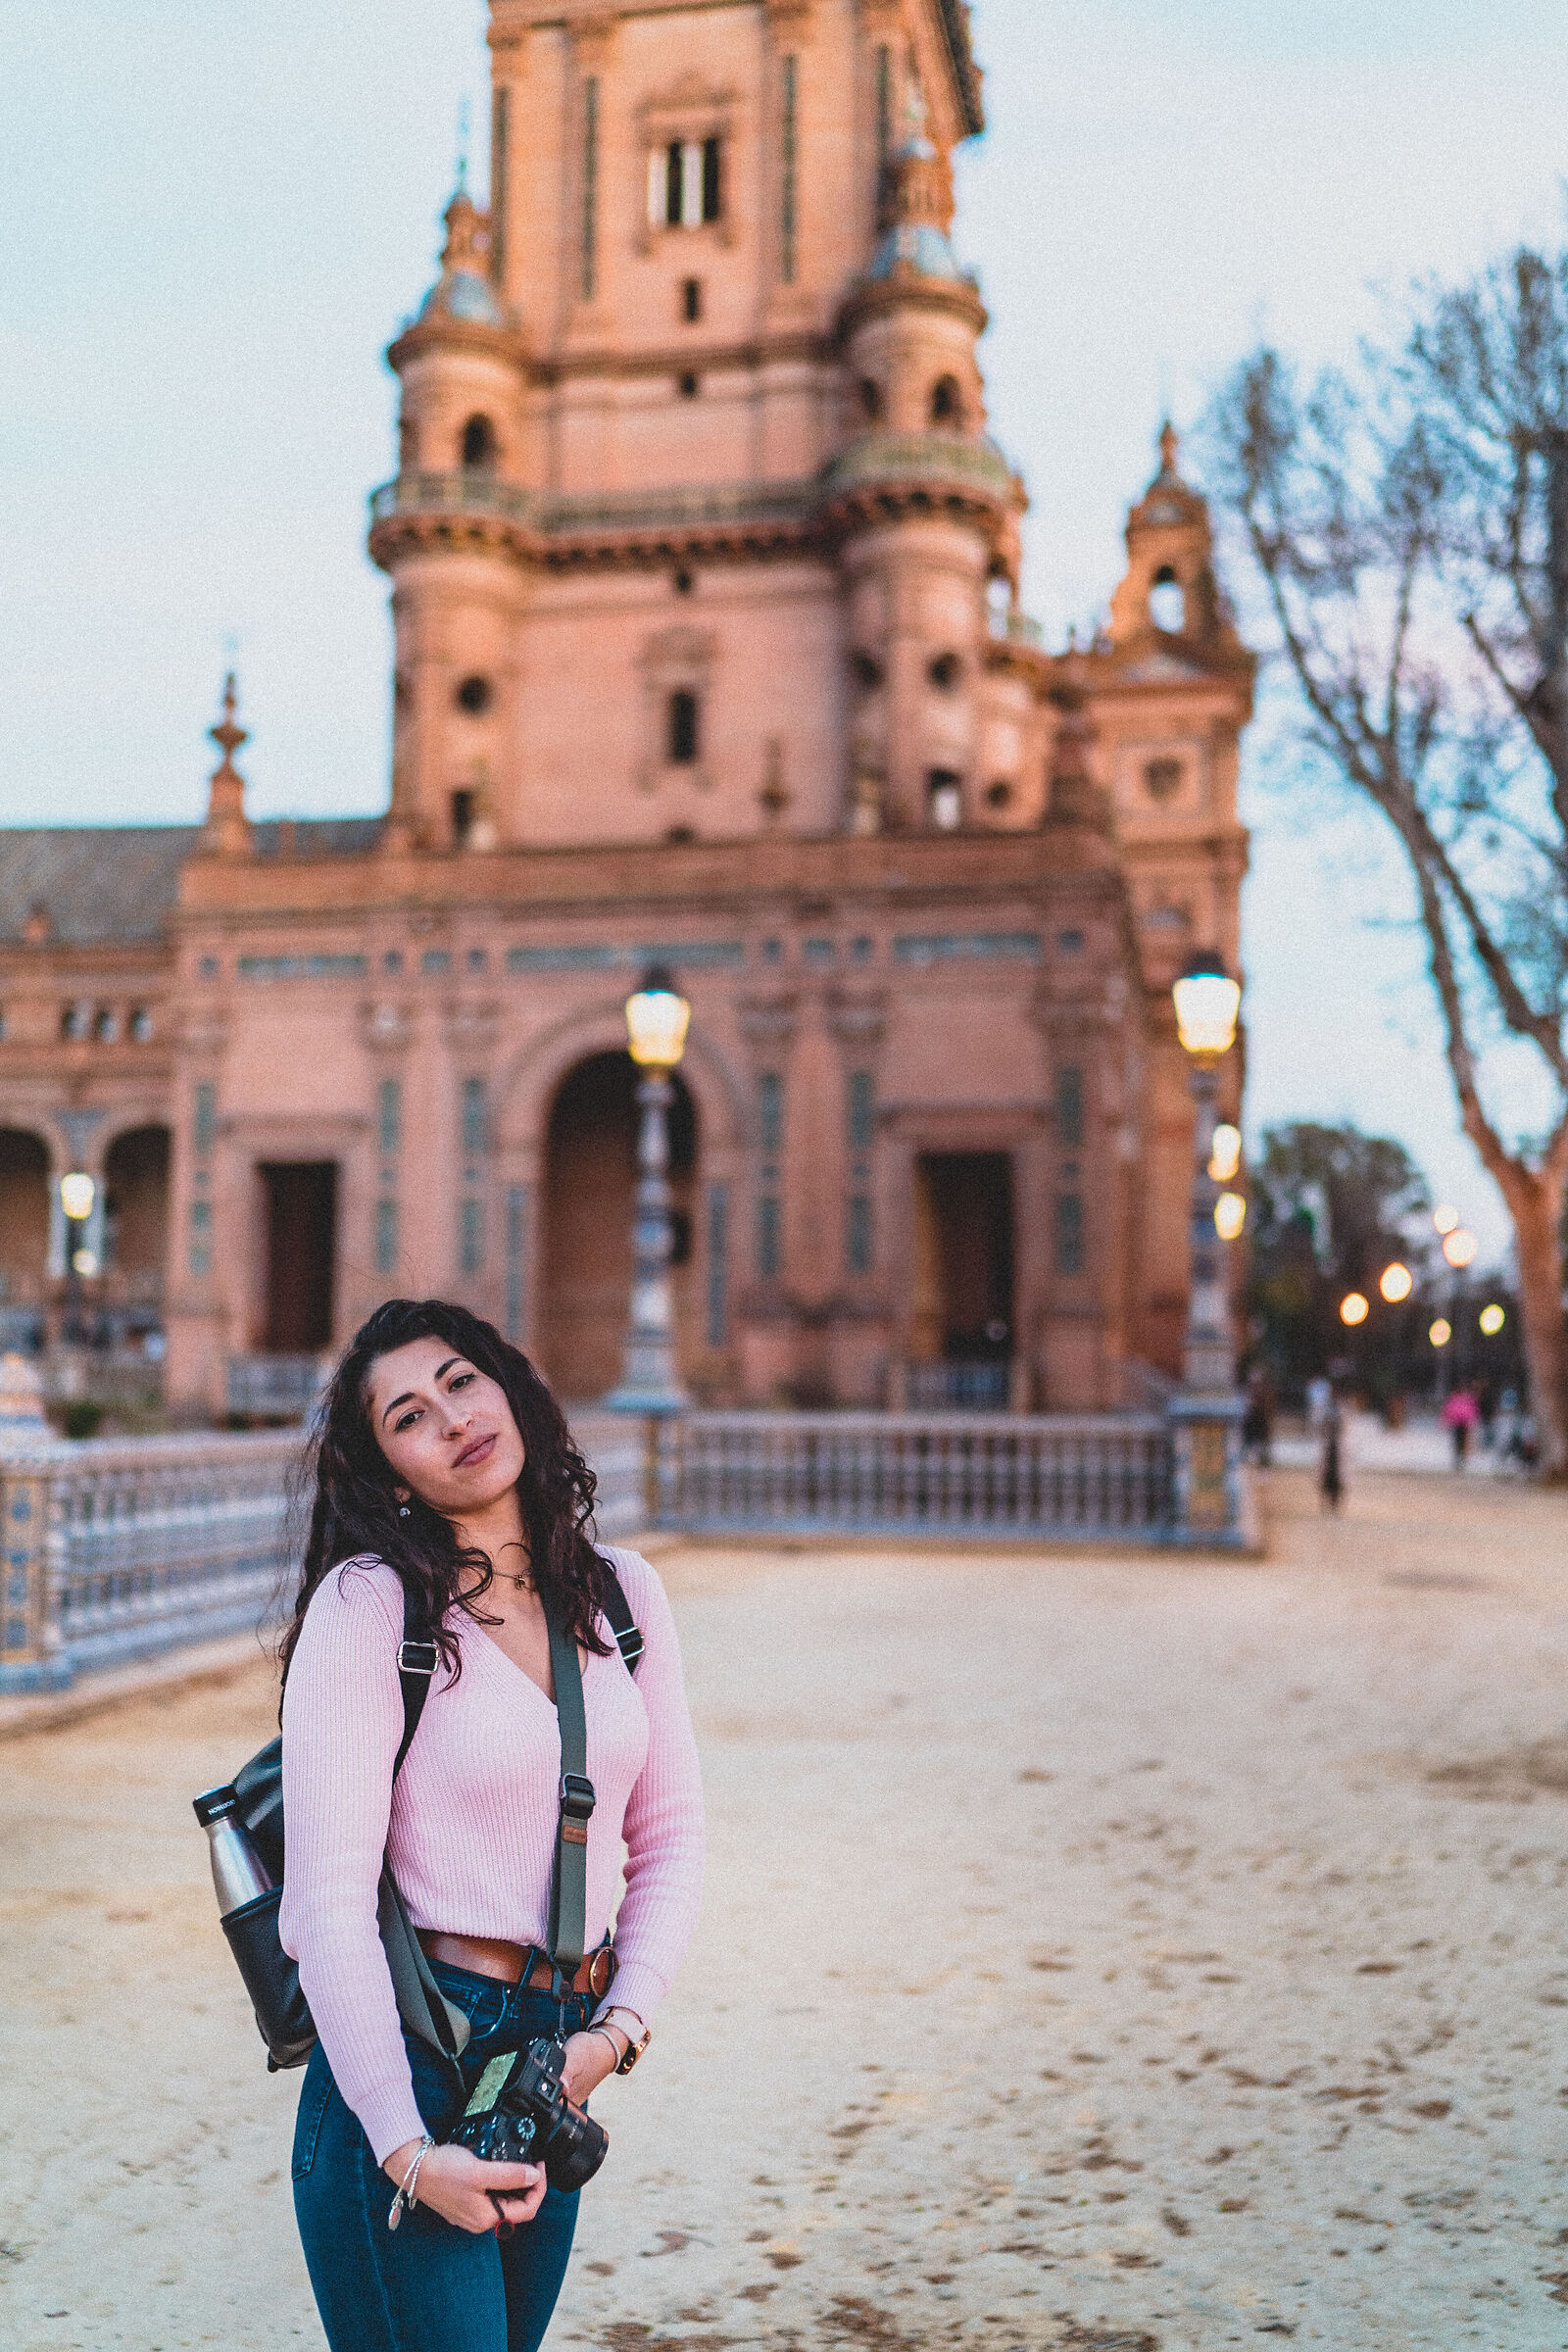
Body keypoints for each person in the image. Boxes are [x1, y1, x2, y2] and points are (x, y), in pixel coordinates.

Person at [276, 1298, 705, 2352]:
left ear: (509, 1383)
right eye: (408, 1416)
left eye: (462, 1380)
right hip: (413, 2054)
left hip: (549, 2064)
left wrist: (616, 2035)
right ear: (388, 1475)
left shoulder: (622, 1594)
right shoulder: (370, 1607)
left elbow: (673, 1834)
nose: (453, 1418)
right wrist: (405, 2150)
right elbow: (324, 1906)